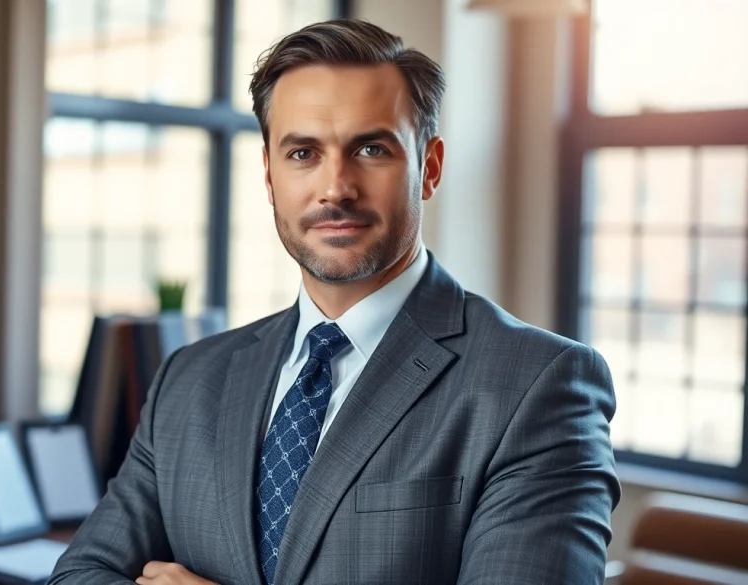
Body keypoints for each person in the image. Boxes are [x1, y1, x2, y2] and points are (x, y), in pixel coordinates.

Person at [49, 18, 620, 585]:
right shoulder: (189, 379)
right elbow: (80, 574)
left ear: (430, 167)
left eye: (371, 148)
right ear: (269, 175)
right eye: (302, 153)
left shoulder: (539, 385)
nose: (335, 188)